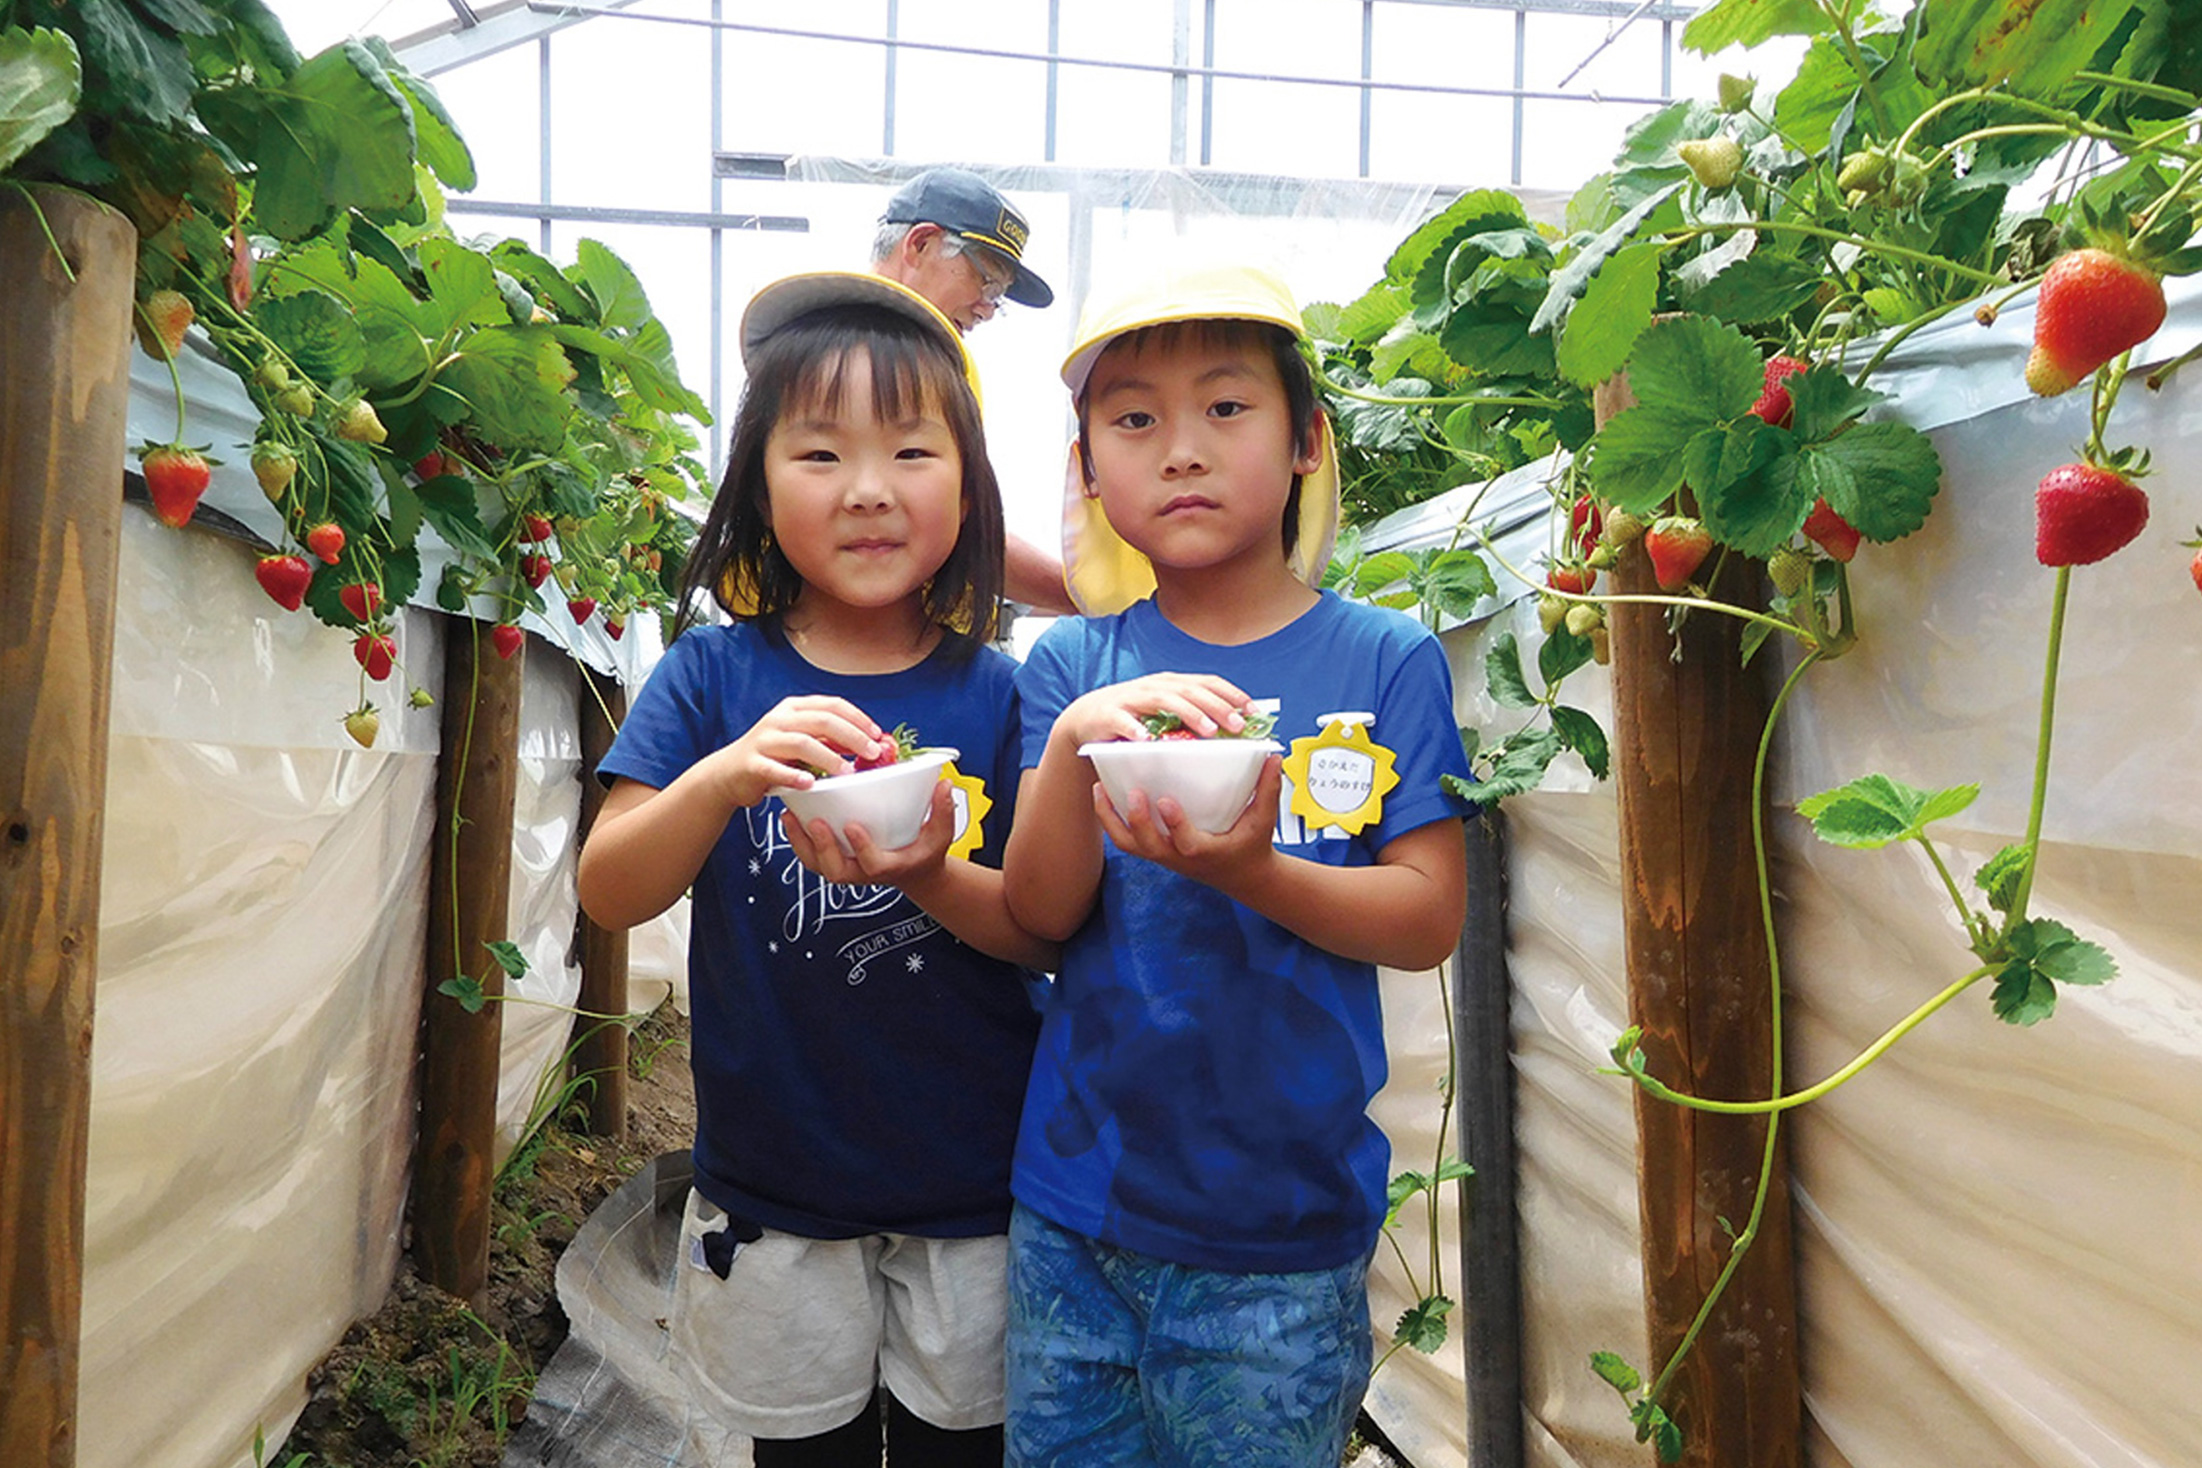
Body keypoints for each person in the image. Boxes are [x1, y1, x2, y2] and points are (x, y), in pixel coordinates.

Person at [998, 262, 1477, 1466]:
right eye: (1135, 420)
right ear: (1090, 469)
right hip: (1075, 1212)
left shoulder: (1384, 659)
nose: (1181, 451)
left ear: (1307, 439)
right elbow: (1040, 912)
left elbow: (1425, 917)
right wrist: (1070, 741)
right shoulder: (1070, 668)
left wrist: (1251, 870)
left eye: (1226, 407)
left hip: (1284, 1233)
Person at [576, 270, 1054, 1468]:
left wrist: (932, 868)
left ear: (969, 482)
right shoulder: (709, 681)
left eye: (911, 450)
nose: (870, 491)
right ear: (757, 482)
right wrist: (725, 777)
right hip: (774, 1197)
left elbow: (1044, 931)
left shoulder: (1003, 692)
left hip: (975, 1192)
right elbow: (609, 889)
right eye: (821, 454)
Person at [870, 167, 1077, 615]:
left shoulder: (934, 356)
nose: (987, 307)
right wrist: (1084, 598)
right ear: (920, 244)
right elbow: (961, 529)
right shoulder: (885, 352)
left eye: (998, 294)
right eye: (987, 281)